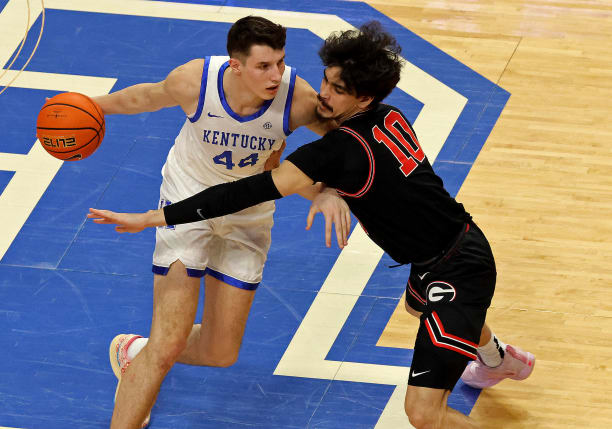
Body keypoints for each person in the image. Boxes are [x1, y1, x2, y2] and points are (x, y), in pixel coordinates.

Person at [88, 21, 536, 429]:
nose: (322, 94)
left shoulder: (337, 149)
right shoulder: (390, 116)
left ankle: (491, 359)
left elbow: (244, 192)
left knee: (423, 414)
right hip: (443, 249)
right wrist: (323, 189)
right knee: (420, 311)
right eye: (325, 79)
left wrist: (152, 217)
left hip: (458, 268)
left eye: (337, 89)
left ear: (363, 98)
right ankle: (496, 360)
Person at [91, 16, 348, 429]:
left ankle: (136, 353)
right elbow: (145, 98)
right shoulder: (195, 80)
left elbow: (342, 142)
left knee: (220, 352)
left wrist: (329, 190)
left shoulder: (296, 98)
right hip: (186, 201)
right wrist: (90, 105)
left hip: (248, 214)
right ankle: (148, 364)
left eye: (280, 63)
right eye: (264, 66)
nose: (275, 74)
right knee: (170, 341)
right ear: (235, 64)